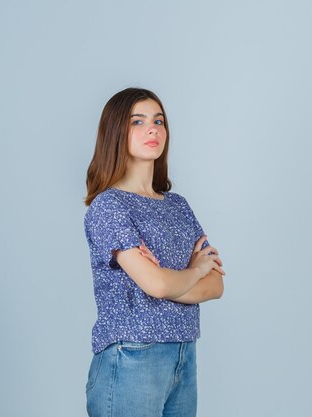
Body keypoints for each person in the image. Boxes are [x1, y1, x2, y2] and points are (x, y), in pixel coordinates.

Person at [82, 87, 225, 417]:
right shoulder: (109, 206)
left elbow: (215, 286)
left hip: (183, 355)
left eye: (159, 120)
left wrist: (168, 279)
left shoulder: (178, 206)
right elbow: (158, 285)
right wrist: (195, 271)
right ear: (116, 132)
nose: (153, 129)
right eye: (138, 121)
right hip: (132, 356)